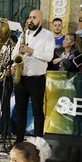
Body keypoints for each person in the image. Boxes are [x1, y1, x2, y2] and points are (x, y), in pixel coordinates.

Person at [12, 9, 55, 140]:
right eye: (29, 17)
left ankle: (38, 142)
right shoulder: (24, 34)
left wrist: (31, 51)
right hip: (21, 77)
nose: (31, 20)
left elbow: (49, 57)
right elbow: (14, 54)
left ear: (40, 20)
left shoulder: (47, 35)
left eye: (34, 18)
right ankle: (19, 141)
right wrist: (14, 64)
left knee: (37, 111)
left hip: (37, 79)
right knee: (20, 111)